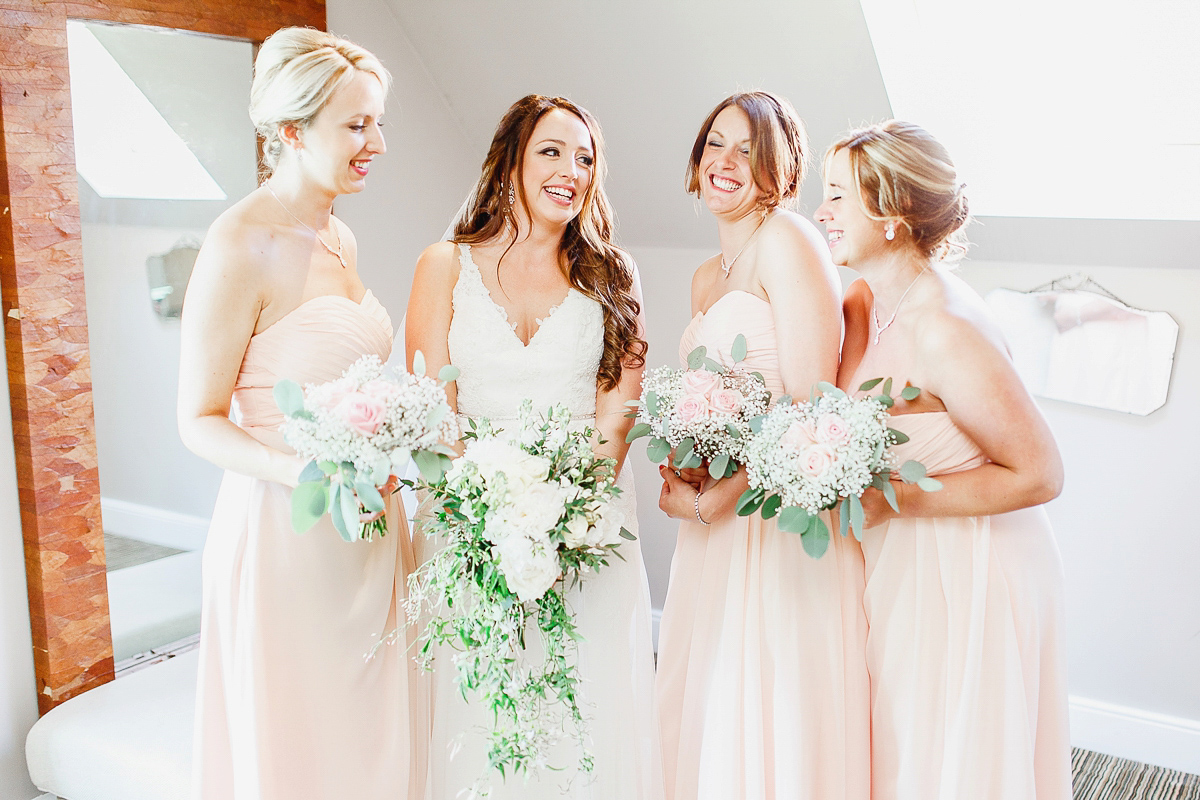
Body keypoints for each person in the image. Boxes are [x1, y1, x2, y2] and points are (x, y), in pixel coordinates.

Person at [178, 28, 425, 799]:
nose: (377, 142)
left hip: (371, 532)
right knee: (303, 747)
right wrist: (312, 471)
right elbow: (199, 419)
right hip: (288, 535)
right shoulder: (239, 245)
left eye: (378, 122)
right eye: (356, 125)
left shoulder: (340, 233)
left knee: (373, 738)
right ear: (291, 131)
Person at [405, 94, 662, 799]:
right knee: (480, 700)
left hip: (586, 521)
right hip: (464, 522)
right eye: (551, 151)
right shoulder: (443, 265)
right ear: (509, 161)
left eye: (585, 158)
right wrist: (485, 518)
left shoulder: (614, 275)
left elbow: (618, 416)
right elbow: (434, 408)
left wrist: (566, 520)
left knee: (581, 700)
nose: (571, 170)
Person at [817, 120, 1072, 799]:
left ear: (893, 212)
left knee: (951, 756)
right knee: (904, 744)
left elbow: (1042, 472)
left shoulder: (944, 327)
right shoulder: (862, 301)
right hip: (903, 559)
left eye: (839, 196)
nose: (822, 212)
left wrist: (895, 497)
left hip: (971, 566)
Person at [654, 91, 870, 800]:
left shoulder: (789, 240)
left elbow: (813, 404)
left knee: (774, 701)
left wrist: (733, 488)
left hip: (776, 515)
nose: (726, 161)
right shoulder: (703, 278)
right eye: (716, 142)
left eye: (749, 150)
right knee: (716, 697)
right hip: (714, 528)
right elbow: (712, 406)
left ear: (782, 169)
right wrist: (682, 471)